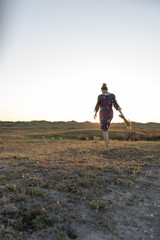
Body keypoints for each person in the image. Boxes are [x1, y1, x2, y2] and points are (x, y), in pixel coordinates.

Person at [94, 83, 125, 149]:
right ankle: (107, 142)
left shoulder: (100, 96)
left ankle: (107, 146)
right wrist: (122, 114)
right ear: (107, 89)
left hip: (103, 113)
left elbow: (97, 106)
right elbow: (116, 105)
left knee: (104, 130)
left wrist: (95, 114)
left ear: (102, 90)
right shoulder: (112, 95)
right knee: (106, 128)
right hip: (110, 113)